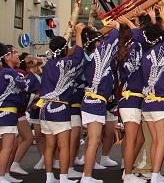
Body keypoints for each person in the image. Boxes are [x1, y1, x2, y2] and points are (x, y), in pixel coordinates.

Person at [39, 24, 86, 183]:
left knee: (49, 146)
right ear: (65, 49)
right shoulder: (65, 64)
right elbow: (78, 56)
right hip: (60, 108)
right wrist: (78, 33)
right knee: (64, 145)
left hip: (45, 108)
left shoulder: (47, 65)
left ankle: (49, 177)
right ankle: (64, 177)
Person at [141, 0, 164, 183]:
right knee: (161, 141)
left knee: (155, 141)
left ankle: (154, 174)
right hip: (159, 103)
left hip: (146, 103)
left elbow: (156, 36)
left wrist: (154, 19)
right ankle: (156, 175)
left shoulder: (145, 55)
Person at [80, 20, 120, 183]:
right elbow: (112, 39)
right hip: (95, 102)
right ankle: (87, 176)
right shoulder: (98, 55)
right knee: (94, 141)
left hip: (92, 100)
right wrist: (116, 27)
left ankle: (87, 174)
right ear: (96, 42)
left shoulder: (87, 56)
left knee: (93, 140)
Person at [0, 43, 40, 183]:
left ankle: (5, 174)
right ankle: (1, 176)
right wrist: (32, 70)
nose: (17, 54)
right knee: (7, 146)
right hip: (8, 112)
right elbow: (27, 86)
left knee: (8, 146)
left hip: (7, 112)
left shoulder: (5, 72)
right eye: (13, 52)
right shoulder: (10, 73)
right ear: (7, 57)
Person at [116, 14, 147, 183]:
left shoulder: (125, 50)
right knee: (131, 140)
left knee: (138, 139)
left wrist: (132, 21)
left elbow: (137, 33)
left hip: (130, 99)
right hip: (132, 99)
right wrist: (129, 21)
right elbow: (138, 35)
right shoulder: (134, 47)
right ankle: (127, 174)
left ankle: (128, 168)